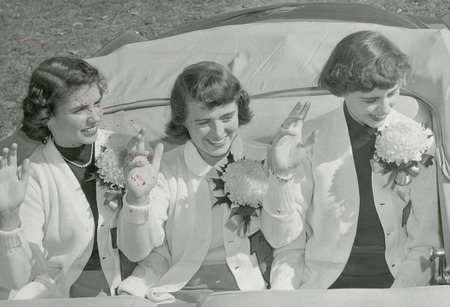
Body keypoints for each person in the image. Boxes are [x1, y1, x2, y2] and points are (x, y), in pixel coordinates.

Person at [260, 30, 442, 289]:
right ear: (342, 90)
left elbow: (426, 241)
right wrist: (281, 175)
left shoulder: (420, 139)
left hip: (398, 280)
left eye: (392, 93)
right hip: (323, 283)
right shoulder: (308, 140)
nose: (385, 108)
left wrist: (399, 297)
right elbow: (282, 240)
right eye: (370, 100)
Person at [0, 56, 162, 299]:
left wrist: (138, 200)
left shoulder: (126, 150)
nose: (95, 117)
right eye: (79, 109)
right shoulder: (32, 174)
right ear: (48, 116)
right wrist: (9, 219)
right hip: (66, 291)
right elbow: (19, 277)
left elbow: (142, 252)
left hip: (137, 281)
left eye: (97, 103)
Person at [116, 61, 271, 305]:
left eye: (227, 117)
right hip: (175, 289)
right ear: (183, 121)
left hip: (249, 290)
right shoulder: (164, 170)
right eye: (203, 122)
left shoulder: (267, 160)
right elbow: (137, 253)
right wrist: (138, 199)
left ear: (239, 110)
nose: (218, 132)